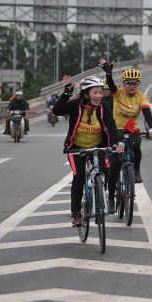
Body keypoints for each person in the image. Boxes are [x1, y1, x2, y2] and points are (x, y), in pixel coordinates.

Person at [52, 76, 124, 226]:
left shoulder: (103, 107)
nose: (98, 96)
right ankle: (76, 213)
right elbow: (57, 110)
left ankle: (99, 204)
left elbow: (111, 126)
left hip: (98, 146)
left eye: (100, 92)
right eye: (95, 93)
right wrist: (66, 93)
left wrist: (118, 141)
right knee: (78, 178)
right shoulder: (75, 105)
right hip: (76, 147)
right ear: (86, 94)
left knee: (104, 171)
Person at [99, 60, 152, 213]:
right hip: (116, 131)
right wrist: (108, 74)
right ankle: (111, 198)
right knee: (115, 164)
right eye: (129, 83)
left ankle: (136, 169)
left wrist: (151, 127)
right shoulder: (118, 93)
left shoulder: (141, 97)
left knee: (136, 145)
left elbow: (146, 112)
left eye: (135, 83)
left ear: (138, 84)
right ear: (124, 84)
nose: (132, 86)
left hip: (132, 131)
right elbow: (111, 86)